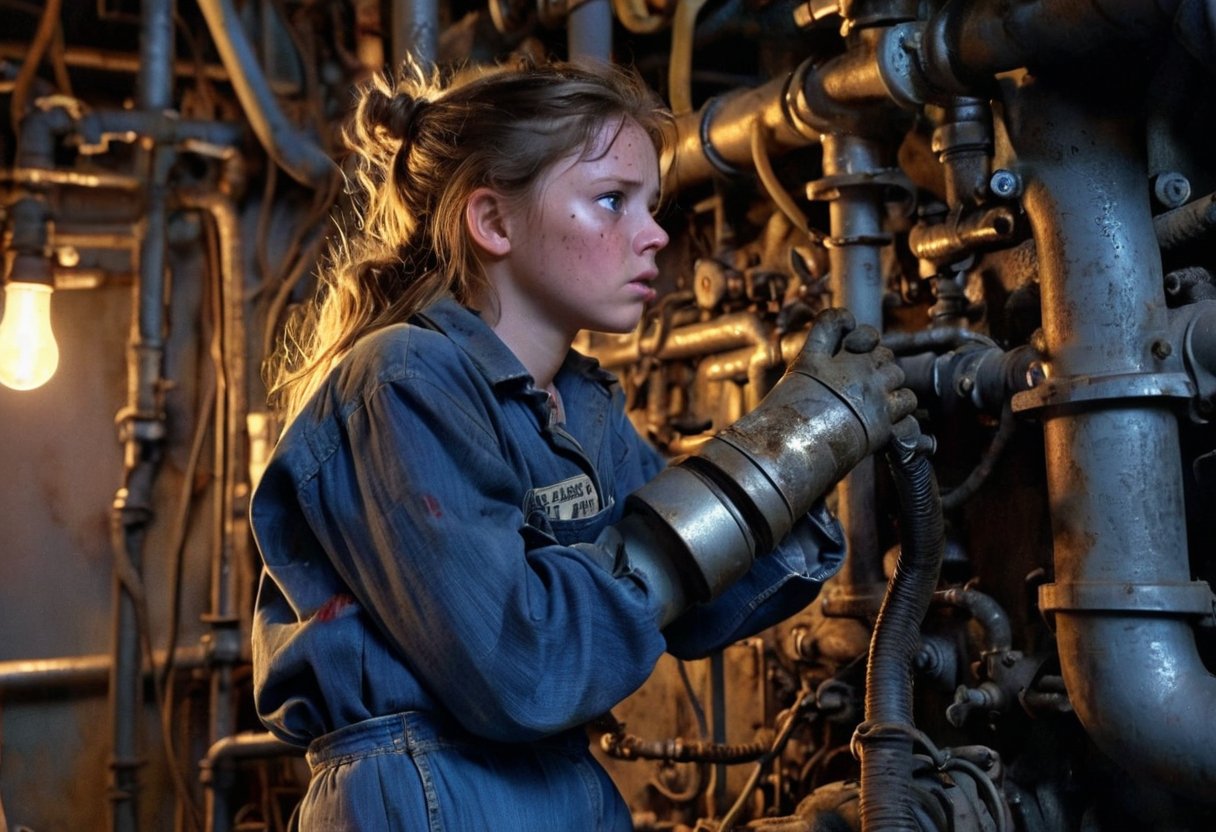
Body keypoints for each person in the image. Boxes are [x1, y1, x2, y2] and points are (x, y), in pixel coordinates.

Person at [250, 58, 915, 831]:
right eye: (612, 201)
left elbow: (694, 605)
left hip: (552, 784)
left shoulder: (577, 405)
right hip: (427, 791)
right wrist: (784, 446)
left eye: (652, 204)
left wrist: (811, 448)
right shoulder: (404, 381)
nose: (656, 234)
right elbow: (524, 666)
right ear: (493, 222)